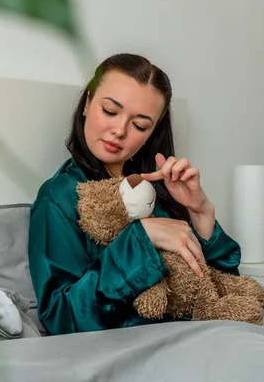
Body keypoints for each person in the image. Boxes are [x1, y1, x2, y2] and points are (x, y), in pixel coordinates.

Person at [28, 53, 241, 335]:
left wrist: (201, 213)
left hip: (206, 335)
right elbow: (62, 317)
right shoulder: (60, 196)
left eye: (139, 125)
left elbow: (222, 289)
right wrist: (142, 237)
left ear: (152, 132)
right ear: (88, 103)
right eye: (110, 111)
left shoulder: (158, 191)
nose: (119, 131)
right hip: (144, 351)